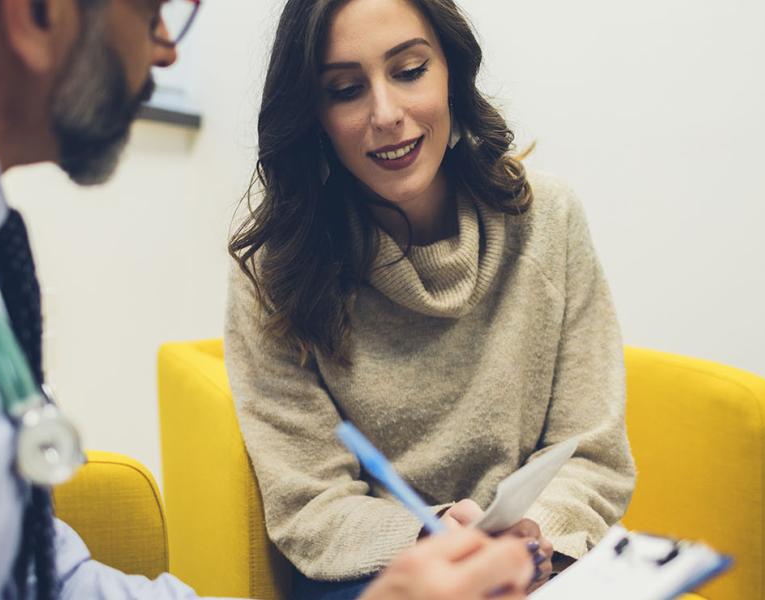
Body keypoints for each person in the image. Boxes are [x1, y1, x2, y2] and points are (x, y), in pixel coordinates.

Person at [0, 0, 536, 598]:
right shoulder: (275, 269)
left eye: (409, 70)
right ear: (36, 13)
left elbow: (45, 578)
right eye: (149, 11)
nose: (168, 48)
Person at [224, 0, 638, 598]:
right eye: (344, 89)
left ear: (451, 73)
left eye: (410, 71)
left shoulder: (549, 219)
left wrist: (533, 535)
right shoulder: (276, 267)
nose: (386, 114)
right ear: (313, 113)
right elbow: (310, 502)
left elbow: (593, 451)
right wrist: (426, 536)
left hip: (542, 562)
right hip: (379, 571)